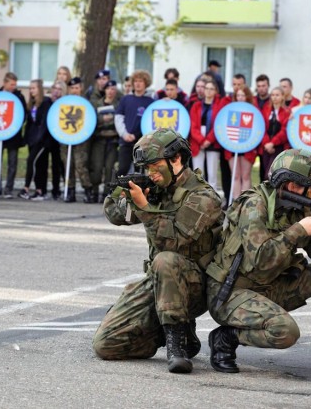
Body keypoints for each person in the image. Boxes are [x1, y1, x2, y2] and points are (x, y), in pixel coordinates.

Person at [206, 148, 311, 375]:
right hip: (231, 294)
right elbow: (260, 260)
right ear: (292, 185)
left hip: (267, 288)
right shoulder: (254, 205)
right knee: (284, 332)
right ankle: (225, 338)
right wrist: (297, 231)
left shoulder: (300, 208)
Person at [93, 129, 224, 374]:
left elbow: (175, 241)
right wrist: (126, 196)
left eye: (155, 166)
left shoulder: (203, 197)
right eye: (146, 168)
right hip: (161, 282)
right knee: (106, 345)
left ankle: (177, 344)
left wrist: (144, 208)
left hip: (197, 285)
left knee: (165, 260)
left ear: (176, 159)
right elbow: (115, 216)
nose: (150, 174)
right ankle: (173, 331)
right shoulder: (157, 189)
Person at [0, 72, 26, 198]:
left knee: (12, 163)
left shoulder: (19, 97)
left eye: (15, 84)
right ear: (5, 83)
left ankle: (8, 189)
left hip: (13, 135)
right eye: (11, 84)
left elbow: (23, 115)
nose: (14, 87)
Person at [60, 77, 95, 203]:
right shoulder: (64, 102)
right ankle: (70, 190)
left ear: (81, 88)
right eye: (72, 88)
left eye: (77, 88)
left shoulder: (86, 103)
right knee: (67, 164)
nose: (74, 90)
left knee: (80, 165)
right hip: (65, 137)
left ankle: (88, 190)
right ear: (69, 89)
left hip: (81, 137)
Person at [114, 70, 154, 177]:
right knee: (122, 169)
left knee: (139, 171)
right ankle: (116, 193)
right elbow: (118, 118)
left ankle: (138, 193)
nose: (137, 83)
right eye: (135, 81)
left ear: (146, 83)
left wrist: (136, 135)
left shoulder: (150, 102)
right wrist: (124, 134)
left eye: (140, 81)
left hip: (142, 143)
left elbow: (150, 123)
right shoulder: (125, 99)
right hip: (125, 141)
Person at [19, 79, 52, 201]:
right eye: (30, 88)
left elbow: (44, 123)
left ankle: (26, 188)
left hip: (42, 140)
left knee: (31, 161)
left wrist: (40, 138)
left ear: (40, 89)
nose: (32, 90)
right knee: (39, 164)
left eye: (34, 88)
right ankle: (40, 190)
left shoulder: (46, 102)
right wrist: (26, 138)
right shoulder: (31, 104)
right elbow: (29, 123)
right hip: (32, 139)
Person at [189, 80, 223, 191]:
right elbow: (193, 126)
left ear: (216, 91)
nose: (208, 91)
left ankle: (212, 200)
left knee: (212, 174)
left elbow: (219, 124)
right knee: (198, 173)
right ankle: (198, 198)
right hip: (197, 141)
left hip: (213, 141)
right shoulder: (196, 105)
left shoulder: (219, 106)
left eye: (211, 89)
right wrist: (201, 140)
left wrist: (208, 140)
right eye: (206, 88)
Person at [89, 80, 121, 200]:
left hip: (113, 141)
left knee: (109, 168)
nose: (110, 91)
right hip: (99, 140)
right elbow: (93, 121)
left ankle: (106, 193)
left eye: (113, 89)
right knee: (96, 167)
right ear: (104, 90)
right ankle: (94, 191)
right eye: (108, 89)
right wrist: (103, 121)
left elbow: (120, 121)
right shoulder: (97, 104)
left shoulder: (119, 105)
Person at [226, 88, 257, 199]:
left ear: (247, 97)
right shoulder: (230, 109)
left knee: (245, 176)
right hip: (232, 147)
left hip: (248, 147)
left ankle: (245, 204)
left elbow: (257, 129)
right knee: (235, 175)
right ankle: (236, 203)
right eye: (238, 95)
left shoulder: (254, 111)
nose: (240, 98)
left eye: (243, 95)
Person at [259, 86, 290, 180]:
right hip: (266, 147)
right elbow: (261, 127)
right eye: (272, 95)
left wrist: (273, 143)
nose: (274, 97)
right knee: (265, 174)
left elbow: (285, 131)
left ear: (282, 97)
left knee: (271, 174)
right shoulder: (266, 110)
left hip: (279, 147)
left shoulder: (286, 112)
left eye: (277, 95)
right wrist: (266, 144)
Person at [47, 80, 66, 199]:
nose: (57, 91)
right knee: (53, 164)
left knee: (61, 164)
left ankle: (66, 187)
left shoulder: (65, 103)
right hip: (50, 137)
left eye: (59, 89)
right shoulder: (48, 102)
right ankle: (55, 189)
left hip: (62, 136)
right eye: (55, 88)